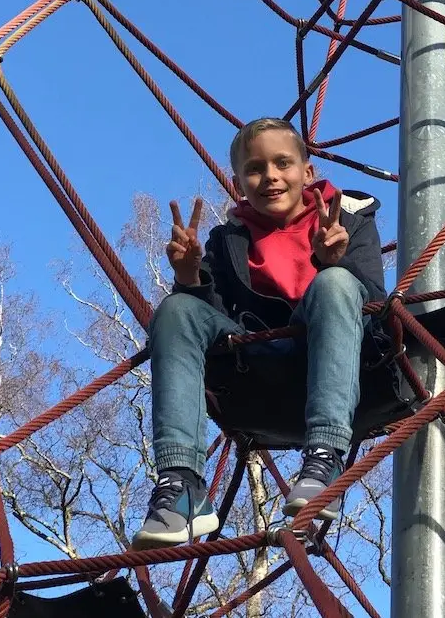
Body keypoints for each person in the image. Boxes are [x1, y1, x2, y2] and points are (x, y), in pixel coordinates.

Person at [132, 117, 385, 549]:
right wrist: (191, 274)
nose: (269, 176)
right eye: (255, 168)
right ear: (238, 183)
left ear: (308, 173)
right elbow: (208, 321)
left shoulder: (349, 217)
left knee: (337, 284)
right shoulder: (228, 238)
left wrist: (331, 262)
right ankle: (183, 485)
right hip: (257, 374)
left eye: (282, 163)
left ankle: (324, 457)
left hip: (335, 365)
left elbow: (374, 305)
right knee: (176, 309)